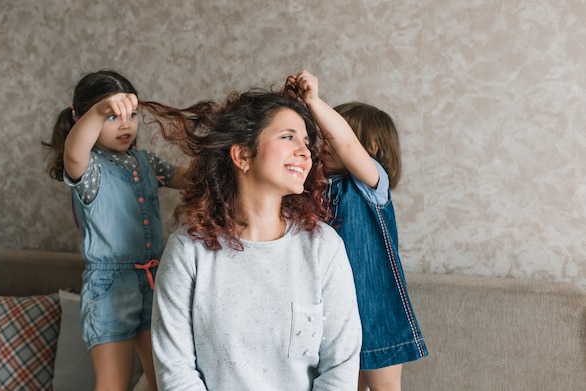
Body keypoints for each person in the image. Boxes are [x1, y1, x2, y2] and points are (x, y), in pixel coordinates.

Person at [148, 88, 362, 390]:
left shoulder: (324, 247)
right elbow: (175, 372)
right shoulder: (187, 250)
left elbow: (340, 368)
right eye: (288, 137)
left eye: (306, 143)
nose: (305, 152)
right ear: (242, 154)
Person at [42, 70, 187, 391]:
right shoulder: (88, 166)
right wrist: (99, 110)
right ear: (80, 116)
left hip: (153, 281)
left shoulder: (145, 162)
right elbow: (73, 153)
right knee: (113, 385)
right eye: (112, 117)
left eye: (131, 115)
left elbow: (189, 179)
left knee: (164, 381)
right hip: (109, 288)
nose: (125, 124)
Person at [287, 70, 428, 391]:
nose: (326, 141)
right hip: (330, 306)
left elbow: (348, 146)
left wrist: (313, 101)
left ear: (373, 147)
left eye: (332, 132)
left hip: (374, 304)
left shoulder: (371, 183)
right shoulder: (315, 185)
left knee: (383, 387)